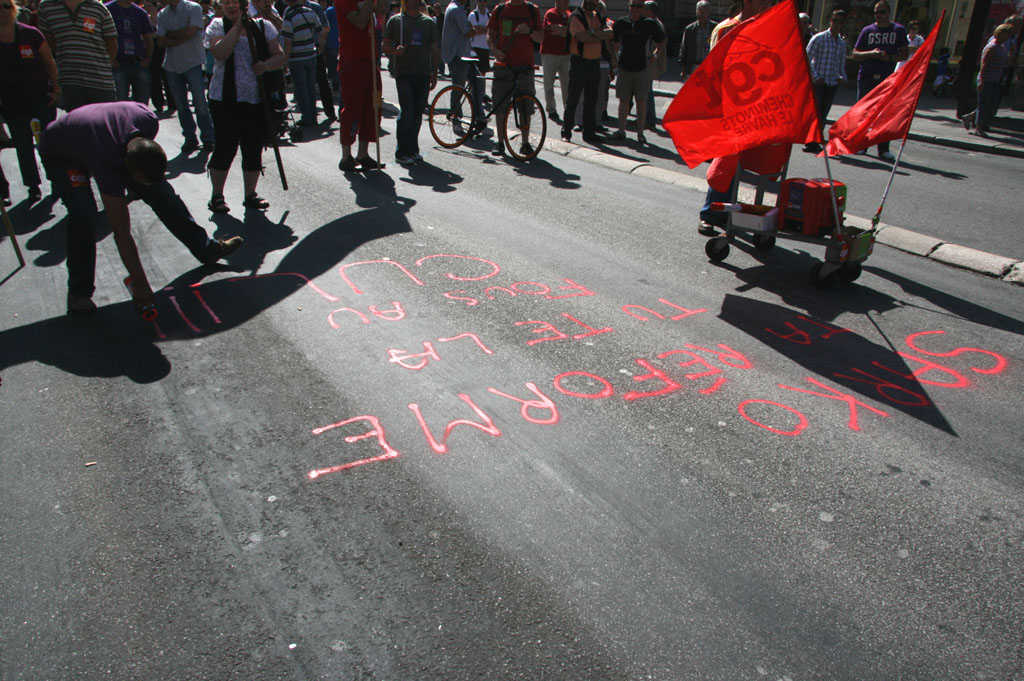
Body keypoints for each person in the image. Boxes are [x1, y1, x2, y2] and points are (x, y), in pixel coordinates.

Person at [38, 101, 242, 313]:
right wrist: (141, 282)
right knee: (84, 214)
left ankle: (206, 249)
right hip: (61, 153)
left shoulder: (148, 121)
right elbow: (121, 232)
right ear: (126, 169)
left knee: (164, 195)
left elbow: (148, 169)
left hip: (96, 137)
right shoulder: (107, 163)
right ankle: (79, 293)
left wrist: (150, 184)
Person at [204, 0, 283, 211]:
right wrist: (237, 28)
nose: (231, 6)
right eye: (226, 2)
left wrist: (265, 65)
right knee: (225, 146)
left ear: (245, 4)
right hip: (224, 98)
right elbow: (221, 53)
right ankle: (217, 196)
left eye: (236, 2)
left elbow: (280, 56)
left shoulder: (263, 26)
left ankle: (250, 194)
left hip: (255, 98)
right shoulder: (217, 26)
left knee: (253, 147)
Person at [0, 0, 59, 203]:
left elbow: (49, 62)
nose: (2, 10)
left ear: (14, 8)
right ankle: (33, 186)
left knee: (48, 142)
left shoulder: (31, 33)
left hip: (40, 98)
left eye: (6, 5)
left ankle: (57, 181)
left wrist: (57, 90)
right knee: (23, 146)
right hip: (12, 102)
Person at [382, 0, 439, 165]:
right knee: (407, 111)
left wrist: (434, 72)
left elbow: (434, 48)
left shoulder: (428, 22)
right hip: (403, 73)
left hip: (422, 73)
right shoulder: (395, 21)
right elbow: (385, 45)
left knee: (417, 113)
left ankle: (413, 149)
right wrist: (394, 51)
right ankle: (402, 151)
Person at [335, 0, 389, 171]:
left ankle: (363, 154)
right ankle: (346, 157)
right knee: (352, 109)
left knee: (373, 106)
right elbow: (358, 22)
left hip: (370, 61)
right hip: (352, 62)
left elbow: (384, 9)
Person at [851, 0, 907, 162]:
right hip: (866, 77)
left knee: (884, 114)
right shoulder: (867, 30)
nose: (879, 15)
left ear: (888, 13)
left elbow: (903, 54)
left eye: (882, 12)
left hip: (886, 78)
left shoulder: (898, 30)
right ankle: (861, 144)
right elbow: (855, 54)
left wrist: (888, 57)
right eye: (876, 12)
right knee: (863, 113)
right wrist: (871, 54)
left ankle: (883, 149)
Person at [157, 0, 216, 152]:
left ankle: (208, 137)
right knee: (182, 105)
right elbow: (161, 41)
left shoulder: (193, 8)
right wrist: (181, 36)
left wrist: (171, 35)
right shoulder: (162, 14)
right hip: (172, 65)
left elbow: (190, 33)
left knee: (200, 103)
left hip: (192, 62)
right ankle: (190, 138)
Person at [37, 0, 117, 109]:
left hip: (101, 81)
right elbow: (49, 42)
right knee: (77, 124)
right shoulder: (46, 7)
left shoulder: (98, 8)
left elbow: (112, 43)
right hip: (70, 81)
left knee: (104, 123)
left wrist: (105, 66)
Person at [487, 0, 541, 155]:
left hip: (525, 66)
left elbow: (541, 38)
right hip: (504, 65)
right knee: (500, 105)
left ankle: (525, 143)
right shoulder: (501, 9)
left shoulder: (532, 10)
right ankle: (500, 142)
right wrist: (495, 50)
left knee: (526, 106)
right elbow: (490, 33)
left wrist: (530, 31)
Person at [611, 0, 662, 143]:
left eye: (639, 6)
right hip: (624, 67)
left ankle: (640, 133)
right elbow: (614, 42)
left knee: (641, 101)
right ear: (629, 7)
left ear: (642, 9)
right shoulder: (621, 23)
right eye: (633, 5)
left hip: (642, 69)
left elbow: (662, 41)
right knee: (623, 101)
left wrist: (655, 56)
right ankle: (621, 131)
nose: (635, 9)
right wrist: (614, 58)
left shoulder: (649, 24)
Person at [560, 0, 610, 144]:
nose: (593, 4)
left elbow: (610, 33)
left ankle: (589, 133)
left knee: (591, 100)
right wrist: (599, 34)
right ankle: (566, 131)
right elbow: (583, 37)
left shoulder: (597, 16)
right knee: (573, 99)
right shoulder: (576, 17)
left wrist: (593, 32)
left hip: (594, 63)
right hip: (579, 62)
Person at [803, 8, 846, 153]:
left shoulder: (841, 43)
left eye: (840, 22)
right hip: (819, 83)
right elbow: (807, 58)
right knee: (815, 113)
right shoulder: (819, 38)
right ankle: (809, 141)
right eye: (834, 20)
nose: (836, 24)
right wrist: (815, 77)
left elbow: (841, 63)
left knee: (823, 114)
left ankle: (816, 140)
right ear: (830, 21)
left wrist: (842, 77)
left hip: (831, 83)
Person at [281, 0, 322, 127]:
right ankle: (313, 115)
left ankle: (307, 117)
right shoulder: (310, 12)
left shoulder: (289, 16)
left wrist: (285, 61)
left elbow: (288, 41)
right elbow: (319, 29)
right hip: (311, 54)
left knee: (301, 88)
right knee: (310, 87)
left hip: (296, 57)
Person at [106, 0, 155, 102]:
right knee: (119, 105)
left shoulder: (140, 13)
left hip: (138, 62)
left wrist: (148, 58)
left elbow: (149, 39)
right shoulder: (107, 10)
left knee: (141, 106)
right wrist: (111, 61)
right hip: (118, 64)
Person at [971, 23, 1014, 138]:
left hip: (995, 79)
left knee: (991, 104)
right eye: (1008, 33)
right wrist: (981, 81)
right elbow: (984, 64)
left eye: (1011, 34)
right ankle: (979, 127)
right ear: (1000, 33)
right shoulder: (992, 47)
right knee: (984, 104)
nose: (1009, 36)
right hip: (987, 79)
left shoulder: (1002, 46)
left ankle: (971, 117)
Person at [539, 0, 568, 123]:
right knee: (549, 83)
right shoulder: (550, 14)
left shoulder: (570, 15)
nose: (565, 2)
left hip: (566, 54)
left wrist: (564, 31)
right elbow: (553, 29)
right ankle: (551, 109)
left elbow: (573, 32)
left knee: (567, 84)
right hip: (550, 53)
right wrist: (566, 31)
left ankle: (568, 109)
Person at [641, 1, 664, 130]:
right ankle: (645, 118)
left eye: (645, 9)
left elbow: (659, 44)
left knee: (647, 91)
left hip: (650, 63)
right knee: (646, 90)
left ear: (650, 11)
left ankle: (649, 119)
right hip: (649, 62)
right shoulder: (652, 22)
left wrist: (653, 57)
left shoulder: (655, 24)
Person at [678, 0, 714, 81]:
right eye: (699, 12)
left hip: (709, 68)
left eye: (704, 12)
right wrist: (683, 70)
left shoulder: (715, 28)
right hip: (693, 66)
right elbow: (683, 49)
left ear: (708, 13)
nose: (701, 15)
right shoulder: (690, 29)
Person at [467, 0, 489, 95]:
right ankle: (472, 93)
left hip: (485, 47)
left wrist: (481, 28)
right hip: (474, 47)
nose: (482, 3)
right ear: (477, 2)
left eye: (484, 1)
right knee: (474, 72)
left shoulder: (489, 15)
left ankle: (482, 94)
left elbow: (491, 31)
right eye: (480, 1)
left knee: (483, 72)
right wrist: (484, 29)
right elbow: (476, 30)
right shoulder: (473, 15)